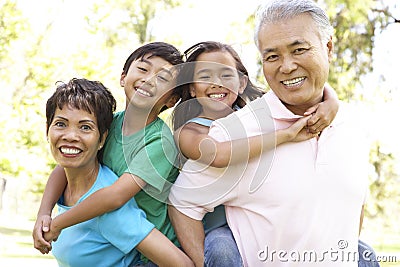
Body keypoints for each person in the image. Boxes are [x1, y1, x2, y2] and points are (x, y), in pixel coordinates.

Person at [169, 1, 377, 266]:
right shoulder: (234, 134)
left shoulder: (353, 126)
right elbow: (181, 204)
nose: (287, 66)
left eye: (299, 49)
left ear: (328, 48)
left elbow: (352, 207)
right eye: (272, 56)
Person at [169, 41, 339, 267]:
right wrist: (285, 135)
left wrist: (332, 101)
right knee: (222, 250)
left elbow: (299, 94)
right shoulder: (189, 131)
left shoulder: (255, 116)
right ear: (192, 88)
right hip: (218, 229)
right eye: (205, 76)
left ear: (242, 84)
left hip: (263, 221)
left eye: (226, 76)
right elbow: (218, 154)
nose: (216, 84)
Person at [33, 42, 193, 266]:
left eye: (163, 78)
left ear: (171, 100)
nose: (149, 79)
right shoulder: (109, 124)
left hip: (152, 253)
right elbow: (66, 165)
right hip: (119, 242)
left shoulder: (160, 142)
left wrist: (58, 223)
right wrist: (44, 213)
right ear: (123, 77)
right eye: (143, 69)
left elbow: (115, 197)